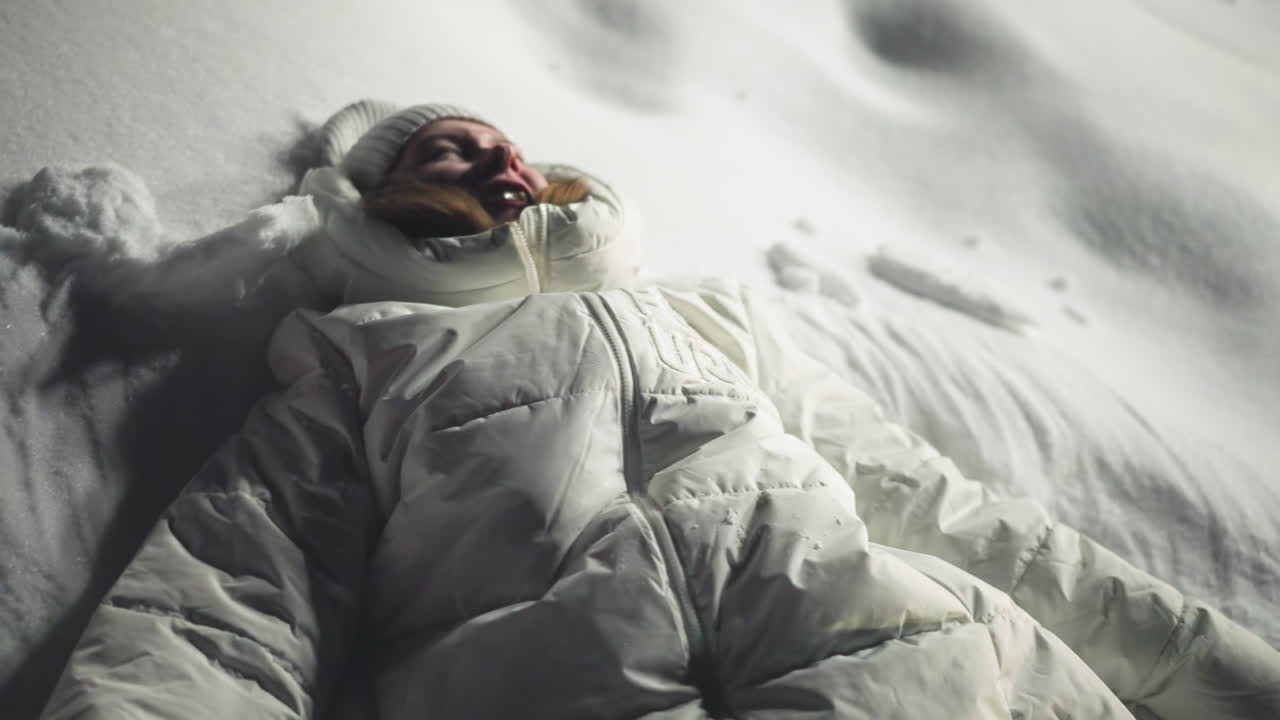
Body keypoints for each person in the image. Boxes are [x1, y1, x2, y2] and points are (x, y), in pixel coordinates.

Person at [39, 100, 1280, 720]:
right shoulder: (357, 363)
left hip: (933, 675)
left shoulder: (710, 318)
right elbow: (225, 607)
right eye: (448, 150)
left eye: (504, 146)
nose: (495, 163)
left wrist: (1224, 673)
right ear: (370, 197)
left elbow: (949, 516)